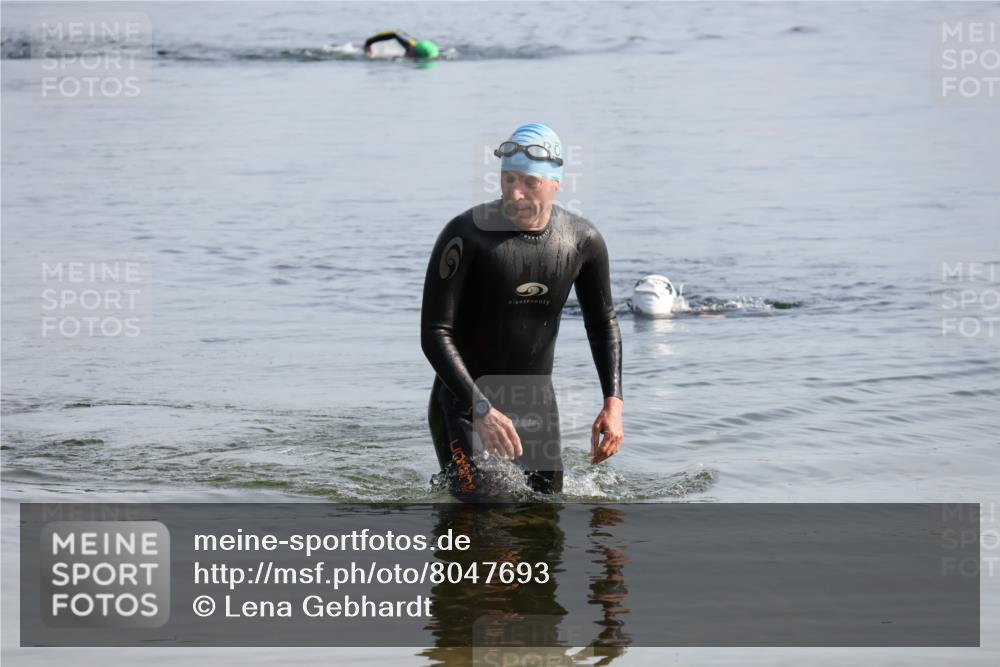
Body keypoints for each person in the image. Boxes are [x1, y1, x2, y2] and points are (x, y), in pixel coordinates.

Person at [421, 122, 624, 499]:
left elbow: (602, 323)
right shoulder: (466, 235)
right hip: (464, 402)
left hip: (536, 403)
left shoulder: (582, 240)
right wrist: (480, 408)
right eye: (508, 179)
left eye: (529, 182)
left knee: (546, 517)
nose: (515, 193)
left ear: (556, 182)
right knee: (481, 513)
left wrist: (613, 403)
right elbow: (435, 333)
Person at [363, 29, 439, 59]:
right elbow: (395, 33)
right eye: (412, 49)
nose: (410, 50)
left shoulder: (420, 55)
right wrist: (369, 42)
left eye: (411, 52)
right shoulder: (410, 44)